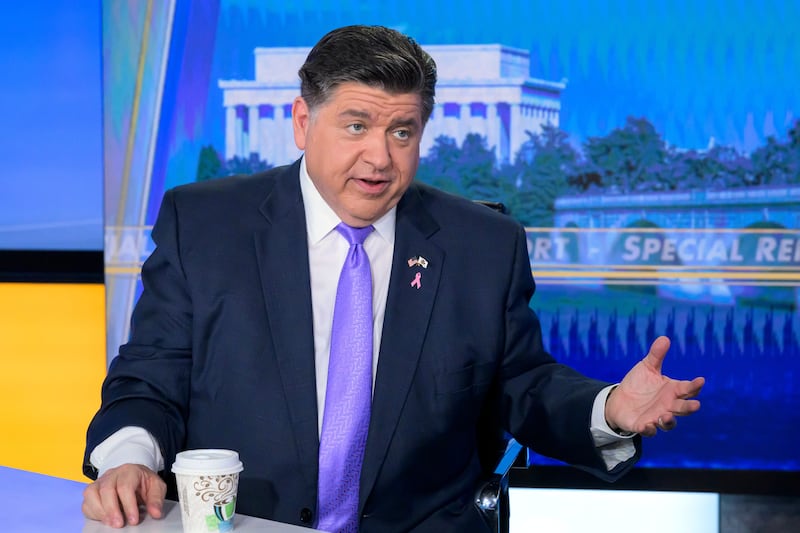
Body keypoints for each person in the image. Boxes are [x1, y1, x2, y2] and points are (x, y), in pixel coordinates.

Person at [82, 25, 705, 532]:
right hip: (243, 524)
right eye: (356, 126)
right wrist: (129, 461)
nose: (380, 157)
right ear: (302, 122)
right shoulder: (205, 225)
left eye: (401, 132)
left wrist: (610, 411)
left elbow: (523, 385)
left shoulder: (483, 245)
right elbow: (150, 377)